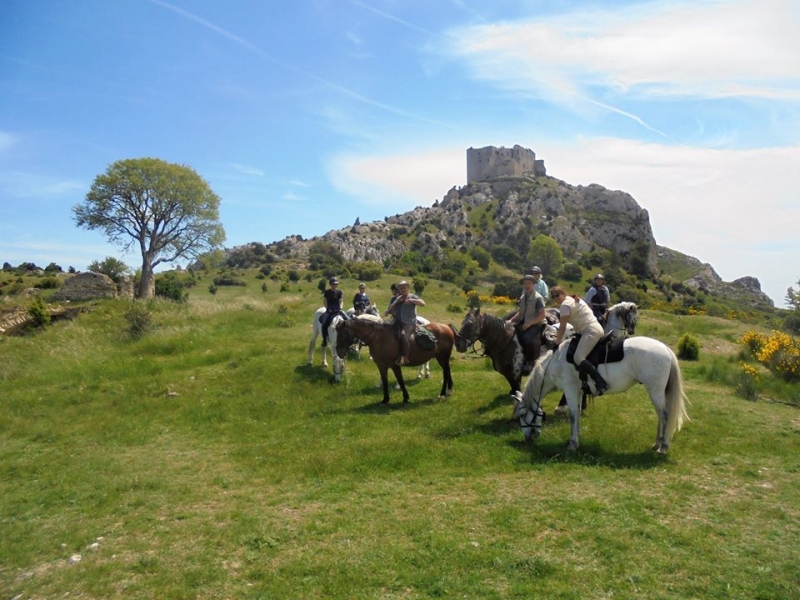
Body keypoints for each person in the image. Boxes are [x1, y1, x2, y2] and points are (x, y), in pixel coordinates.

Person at [551, 286, 608, 396]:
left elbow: (562, 327)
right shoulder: (574, 299)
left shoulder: (565, 305)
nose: (556, 298)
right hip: (595, 328)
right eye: (553, 297)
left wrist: (557, 342)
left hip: (589, 331)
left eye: (557, 295)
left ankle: (601, 383)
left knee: (578, 357)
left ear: (563, 293)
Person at [384, 280, 425, 365]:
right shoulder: (399, 298)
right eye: (401, 288)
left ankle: (405, 357)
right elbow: (392, 306)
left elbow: (422, 303)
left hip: (409, 323)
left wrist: (412, 301)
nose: (402, 289)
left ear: (408, 288)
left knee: (403, 335)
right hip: (398, 322)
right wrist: (388, 311)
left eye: (404, 288)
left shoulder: (412, 296)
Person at [510, 273, 547, 366]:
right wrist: (510, 321)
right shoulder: (523, 297)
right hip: (525, 321)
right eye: (525, 283)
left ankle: (531, 362)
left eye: (529, 283)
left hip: (537, 323)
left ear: (533, 284)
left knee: (527, 338)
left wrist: (530, 323)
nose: (527, 285)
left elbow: (542, 315)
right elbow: (520, 313)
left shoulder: (538, 298)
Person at [320, 277, 347, 347]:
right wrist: (327, 308)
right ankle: (324, 340)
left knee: (348, 320)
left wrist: (340, 308)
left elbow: (341, 301)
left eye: (336, 284)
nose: (335, 285)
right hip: (330, 310)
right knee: (324, 323)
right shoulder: (327, 292)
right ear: (330, 284)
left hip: (338, 309)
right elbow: (325, 301)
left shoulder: (339, 292)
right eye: (333, 284)